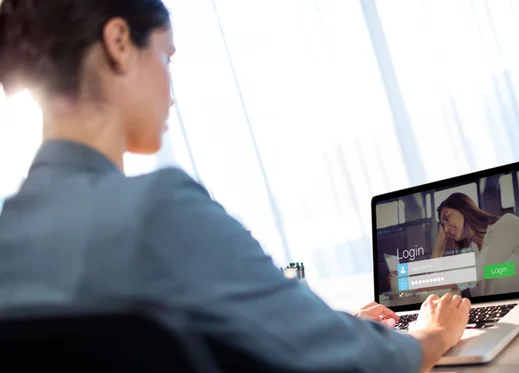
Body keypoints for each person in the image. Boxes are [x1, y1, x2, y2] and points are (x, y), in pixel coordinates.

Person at [0, 1, 470, 372]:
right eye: (166, 56)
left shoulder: (10, 232)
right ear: (119, 42)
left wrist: (328, 331)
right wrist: (431, 336)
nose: (172, 91)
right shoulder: (158, 210)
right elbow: (370, 364)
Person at [434, 193, 519, 297]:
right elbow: (436, 279)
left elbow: (482, 271)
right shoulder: (471, 251)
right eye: (442, 226)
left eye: (447, 218)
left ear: (463, 208)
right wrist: (440, 242)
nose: (446, 228)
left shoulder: (508, 224)